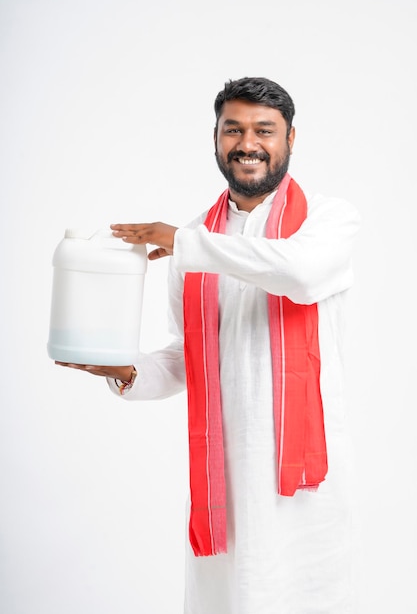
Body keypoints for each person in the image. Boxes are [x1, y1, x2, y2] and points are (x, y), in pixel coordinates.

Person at [56, 76, 361, 614]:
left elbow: (303, 274)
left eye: (264, 130)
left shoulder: (326, 220)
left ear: (292, 138)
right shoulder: (196, 235)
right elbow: (188, 356)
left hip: (301, 483)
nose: (248, 143)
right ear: (216, 138)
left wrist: (185, 244)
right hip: (227, 476)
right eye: (233, 129)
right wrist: (124, 370)